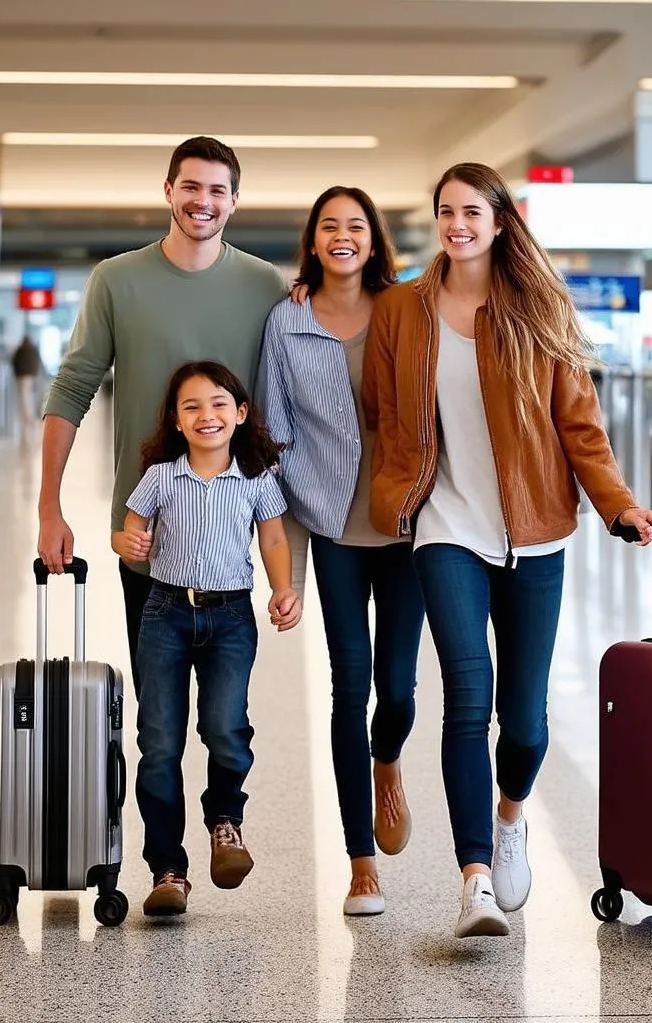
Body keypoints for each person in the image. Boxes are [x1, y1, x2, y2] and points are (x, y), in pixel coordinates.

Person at [362, 162, 652, 940]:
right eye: (445, 210)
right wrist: (396, 495)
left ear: (500, 220)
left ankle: (512, 816)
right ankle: (474, 878)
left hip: (534, 530)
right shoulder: (403, 310)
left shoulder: (538, 308)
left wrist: (618, 506)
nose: (457, 224)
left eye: (471, 211)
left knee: (524, 723)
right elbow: (382, 414)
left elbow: (580, 426)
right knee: (466, 696)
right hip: (443, 524)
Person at [37, 136, 288, 696]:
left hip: (228, 540)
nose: (203, 200)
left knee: (228, 721)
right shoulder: (117, 279)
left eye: (217, 190)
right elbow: (73, 388)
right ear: (169, 190)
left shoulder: (264, 285)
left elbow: (281, 397)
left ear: (235, 201)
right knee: (158, 717)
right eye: (191, 186)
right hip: (143, 533)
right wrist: (49, 508)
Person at [257, 187, 426, 918]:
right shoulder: (286, 320)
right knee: (347, 687)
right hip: (332, 526)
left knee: (398, 690)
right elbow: (269, 429)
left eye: (355, 225)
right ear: (313, 240)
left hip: (405, 525)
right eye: (330, 226)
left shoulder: (407, 310)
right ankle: (361, 864)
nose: (342, 236)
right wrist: (281, 560)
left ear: (373, 239)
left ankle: (388, 762)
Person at [114, 360, 301, 917]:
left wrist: (283, 589)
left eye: (219, 404)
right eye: (191, 406)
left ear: (240, 414)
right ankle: (168, 868)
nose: (207, 415)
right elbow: (128, 529)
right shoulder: (160, 477)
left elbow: (272, 538)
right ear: (175, 420)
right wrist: (128, 542)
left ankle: (225, 821)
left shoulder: (256, 477)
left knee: (225, 727)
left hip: (231, 619)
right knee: (160, 743)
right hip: (166, 613)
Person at [11, 335, 43, 440]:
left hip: (23, 379)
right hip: (31, 378)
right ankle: (30, 418)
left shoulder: (20, 351)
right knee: (30, 398)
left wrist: (17, 375)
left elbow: (15, 363)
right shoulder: (33, 351)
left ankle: (28, 419)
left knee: (25, 399)